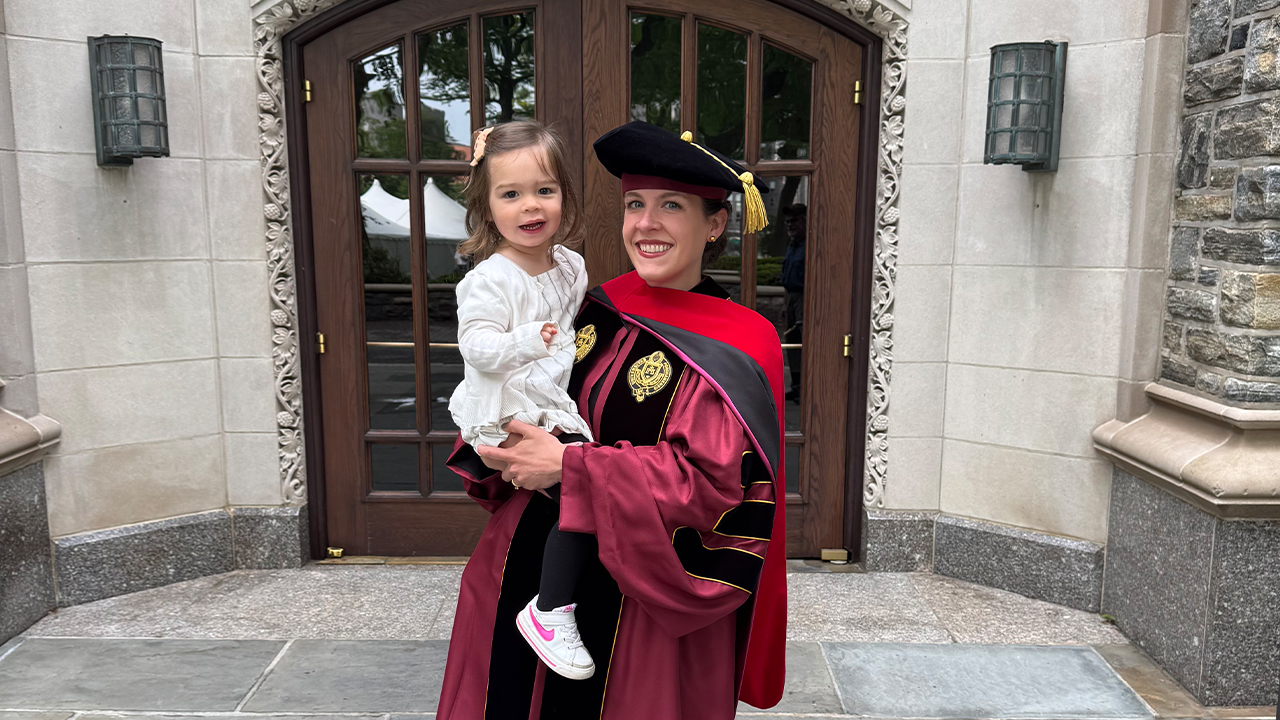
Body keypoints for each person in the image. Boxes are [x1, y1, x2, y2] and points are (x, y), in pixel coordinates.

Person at [438, 121, 787, 720]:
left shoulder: (737, 344)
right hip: (527, 568)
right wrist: (499, 440)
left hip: (644, 595)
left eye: (670, 207)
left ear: (715, 224)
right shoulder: (599, 305)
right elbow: (527, 388)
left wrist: (570, 466)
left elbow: (712, 486)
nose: (645, 225)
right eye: (634, 205)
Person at [446, 120, 600, 680]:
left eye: (544, 190)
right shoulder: (489, 280)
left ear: (564, 195)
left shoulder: (570, 266)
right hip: (508, 405)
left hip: (547, 397)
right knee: (582, 494)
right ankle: (549, 609)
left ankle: (561, 598)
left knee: (589, 492)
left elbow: (573, 323)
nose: (529, 206)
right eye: (510, 194)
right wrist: (525, 340)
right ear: (488, 209)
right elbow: (477, 347)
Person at [779, 203, 806, 403]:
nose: (790, 226)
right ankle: (796, 387)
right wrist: (784, 304)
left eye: (794, 221)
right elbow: (786, 279)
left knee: (804, 342)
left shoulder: (810, 245)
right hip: (791, 298)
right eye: (787, 222)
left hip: (805, 298)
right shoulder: (791, 246)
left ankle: (806, 388)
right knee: (791, 342)